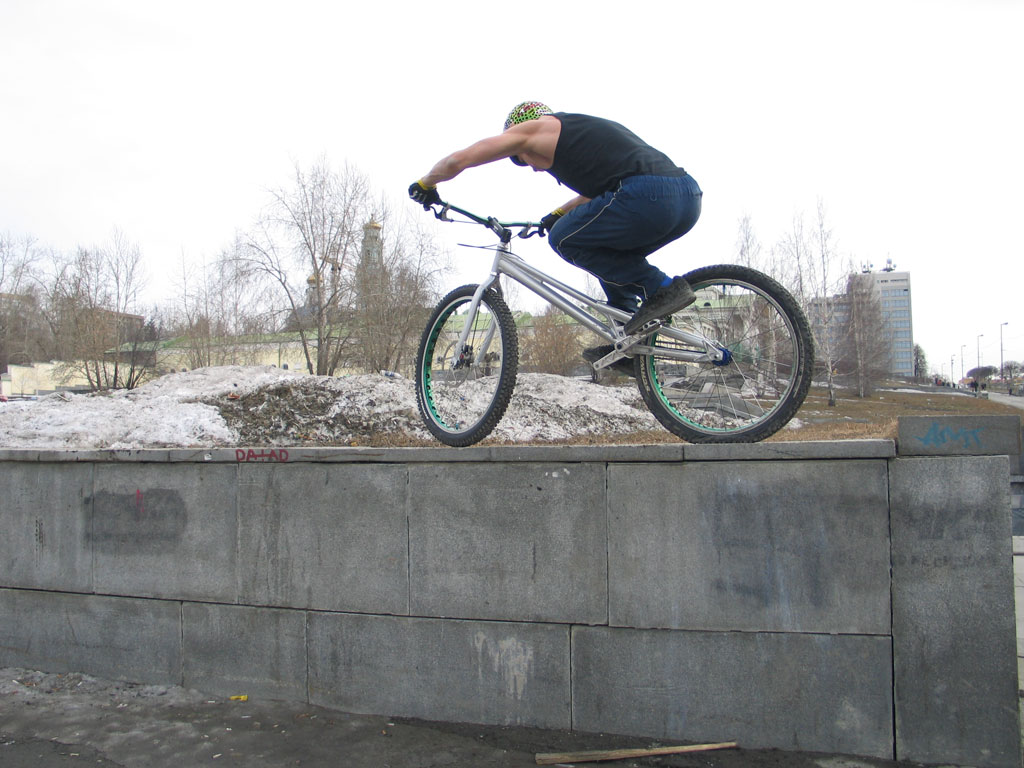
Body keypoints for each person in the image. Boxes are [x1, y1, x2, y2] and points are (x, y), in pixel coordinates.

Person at [409, 101, 703, 373]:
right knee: (606, 253)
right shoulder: (581, 135)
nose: (532, 167)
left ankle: (663, 287)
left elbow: (460, 159)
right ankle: (629, 341)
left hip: (649, 196)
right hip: (685, 199)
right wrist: (558, 213)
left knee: (564, 238)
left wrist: (426, 183)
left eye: (519, 159)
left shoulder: (535, 128)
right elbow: (600, 194)